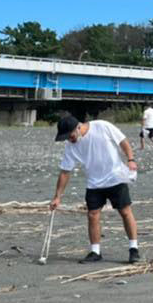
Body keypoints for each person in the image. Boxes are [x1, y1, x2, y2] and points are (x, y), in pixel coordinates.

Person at [49, 113, 141, 264]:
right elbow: (65, 172)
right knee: (93, 214)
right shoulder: (71, 146)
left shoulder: (102, 126)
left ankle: (134, 249)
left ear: (78, 127)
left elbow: (123, 141)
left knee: (125, 211)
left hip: (115, 177)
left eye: (70, 135)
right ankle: (95, 251)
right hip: (94, 183)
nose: (69, 139)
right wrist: (57, 196)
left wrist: (130, 159)